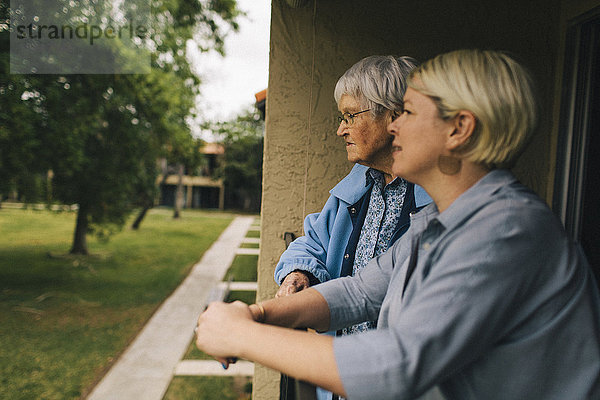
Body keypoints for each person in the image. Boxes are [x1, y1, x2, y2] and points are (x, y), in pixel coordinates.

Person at [195, 49, 600, 399]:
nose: (394, 125)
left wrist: (242, 336)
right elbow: (360, 292)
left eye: (406, 111)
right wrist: (259, 314)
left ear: (458, 129)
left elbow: (399, 365)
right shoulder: (440, 222)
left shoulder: (505, 231)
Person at [275, 54, 431, 400]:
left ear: (394, 115)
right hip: (340, 379)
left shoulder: (437, 203)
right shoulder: (358, 183)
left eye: (349, 116)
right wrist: (298, 273)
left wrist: (251, 331)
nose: (340, 129)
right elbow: (313, 240)